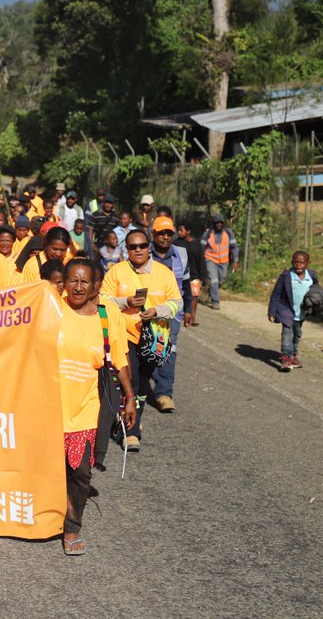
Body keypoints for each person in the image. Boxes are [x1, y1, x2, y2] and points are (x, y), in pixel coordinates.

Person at [56, 258, 137, 556]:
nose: (78, 287)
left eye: (84, 282)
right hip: (50, 407)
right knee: (51, 470)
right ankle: (47, 516)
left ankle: (72, 526)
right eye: (72, 281)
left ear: (94, 287)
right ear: (63, 282)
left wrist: (130, 398)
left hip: (87, 406)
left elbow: (120, 359)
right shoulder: (52, 307)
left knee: (79, 472)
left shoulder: (106, 315)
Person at [100, 229, 182, 452]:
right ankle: (131, 432)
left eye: (142, 246)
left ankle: (133, 414)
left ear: (149, 247)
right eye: (133, 247)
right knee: (132, 380)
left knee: (144, 385)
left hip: (153, 340)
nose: (138, 250)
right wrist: (125, 301)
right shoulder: (116, 271)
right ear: (126, 249)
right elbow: (102, 299)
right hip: (124, 335)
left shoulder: (164, 273)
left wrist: (157, 311)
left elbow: (177, 302)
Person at [148, 216, 192, 413]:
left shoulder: (181, 254)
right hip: (146, 311)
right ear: (153, 234)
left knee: (169, 349)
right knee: (148, 348)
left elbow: (186, 284)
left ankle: (164, 393)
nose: (165, 237)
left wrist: (189, 308)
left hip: (172, 311)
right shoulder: (142, 251)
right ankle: (141, 385)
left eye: (168, 233)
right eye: (161, 233)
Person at [268, 251, 318, 372]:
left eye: (302, 262)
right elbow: (276, 294)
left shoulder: (311, 276)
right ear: (292, 262)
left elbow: (317, 291)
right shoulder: (286, 276)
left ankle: (293, 356)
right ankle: (285, 359)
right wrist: (272, 311)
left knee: (297, 335)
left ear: (307, 263)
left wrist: (316, 305)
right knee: (287, 335)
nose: (298, 265)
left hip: (301, 312)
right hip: (286, 310)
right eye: (296, 262)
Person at [202, 213, 239, 310]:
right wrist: (200, 261)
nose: (219, 224)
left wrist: (235, 260)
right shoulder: (208, 233)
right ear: (213, 223)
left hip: (223, 262)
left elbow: (234, 247)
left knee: (221, 280)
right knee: (214, 280)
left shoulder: (228, 233)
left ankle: (211, 291)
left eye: (220, 222)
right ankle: (215, 302)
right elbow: (201, 247)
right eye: (217, 222)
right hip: (210, 259)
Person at [175, 219, 205, 325]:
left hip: (194, 275)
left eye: (181, 230)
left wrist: (203, 276)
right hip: (181, 275)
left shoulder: (196, 244)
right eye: (178, 230)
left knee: (194, 296)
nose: (179, 232)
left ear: (188, 231)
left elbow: (201, 260)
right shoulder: (176, 243)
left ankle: (192, 317)